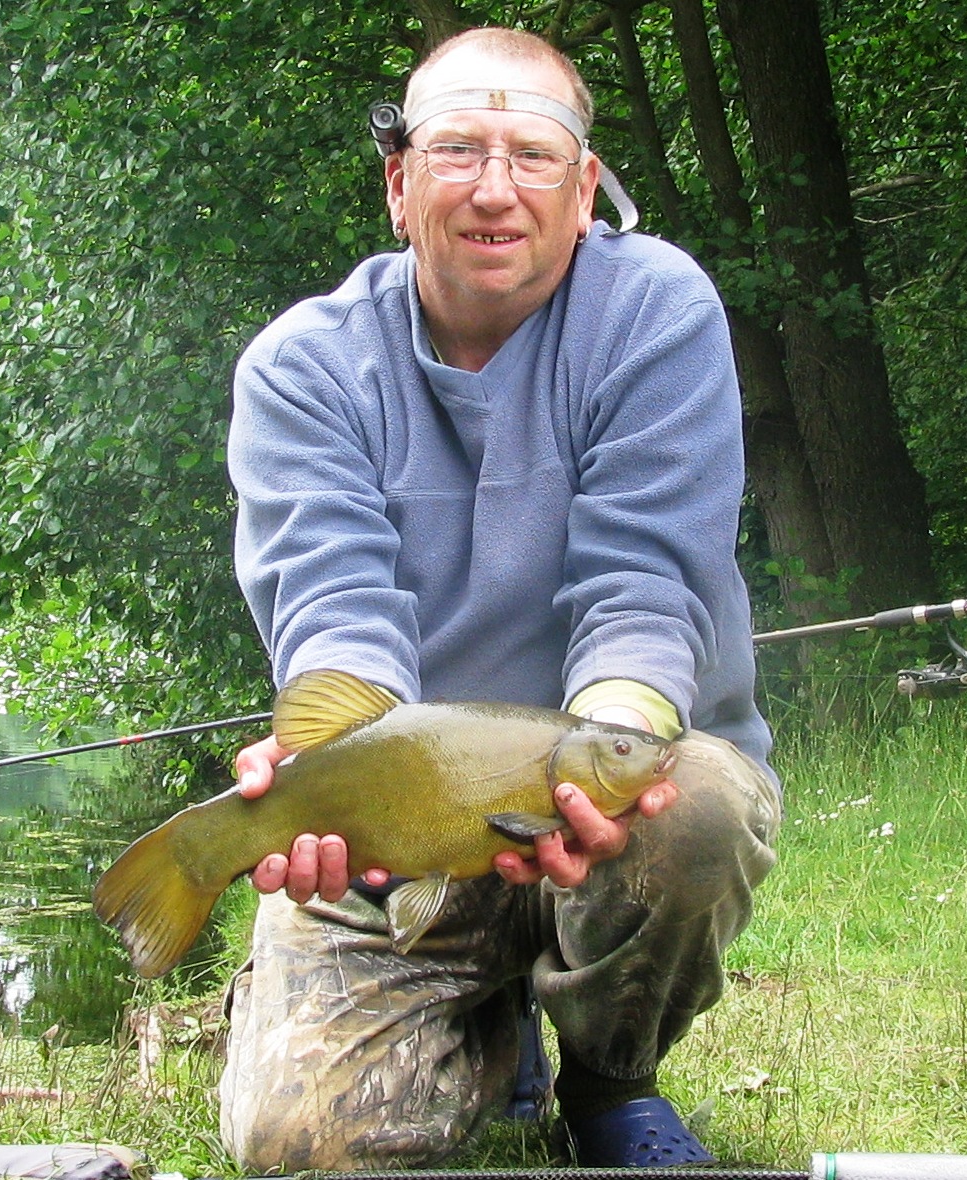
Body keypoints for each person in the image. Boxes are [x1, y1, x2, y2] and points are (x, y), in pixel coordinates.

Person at [219, 25, 782, 1172]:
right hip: (406, 822)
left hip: (600, 809)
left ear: (584, 192)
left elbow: (642, 583)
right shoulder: (301, 368)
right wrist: (322, 786)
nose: (493, 190)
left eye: (531, 156)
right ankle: (487, 1033)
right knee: (299, 1143)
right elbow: (335, 614)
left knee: (702, 806)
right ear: (397, 185)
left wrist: (611, 753)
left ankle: (612, 1083)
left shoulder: (657, 311)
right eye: (457, 151)